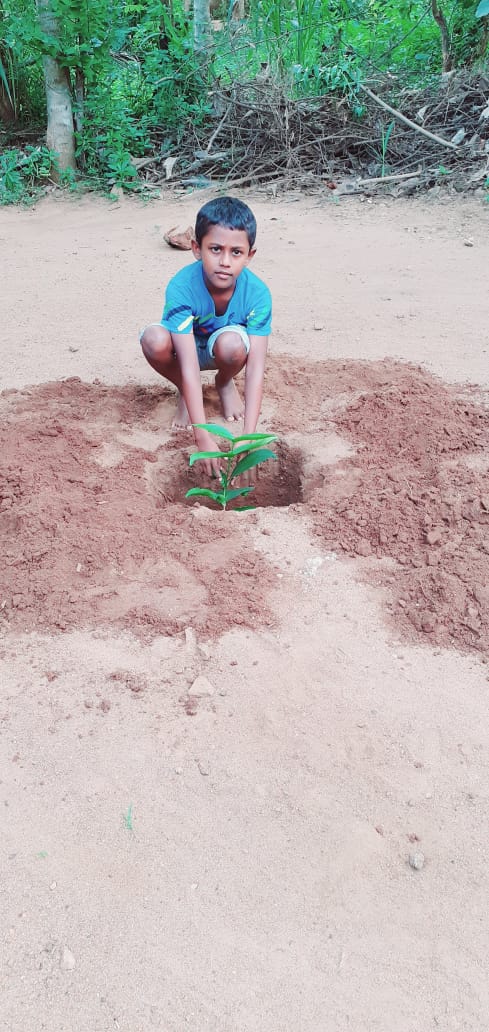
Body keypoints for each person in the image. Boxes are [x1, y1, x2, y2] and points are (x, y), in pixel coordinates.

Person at [140, 196, 272, 476]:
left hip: (223, 349)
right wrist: (202, 437)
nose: (225, 261)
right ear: (196, 249)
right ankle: (188, 393)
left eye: (236, 252)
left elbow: (256, 368)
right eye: (215, 249)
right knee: (153, 339)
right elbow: (189, 364)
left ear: (249, 256)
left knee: (233, 344)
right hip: (183, 349)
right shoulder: (182, 287)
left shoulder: (257, 294)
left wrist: (249, 436)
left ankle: (223, 382)